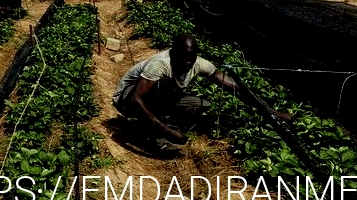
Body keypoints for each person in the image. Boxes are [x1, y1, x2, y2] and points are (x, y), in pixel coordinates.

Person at [112, 34, 289, 158]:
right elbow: (137, 99)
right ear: (174, 53)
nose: (189, 64)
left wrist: (269, 111)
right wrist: (164, 130)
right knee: (161, 86)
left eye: (192, 58)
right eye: (184, 58)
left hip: (159, 98)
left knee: (200, 105)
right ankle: (153, 135)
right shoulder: (160, 64)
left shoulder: (198, 63)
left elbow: (236, 88)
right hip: (126, 99)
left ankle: (165, 122)